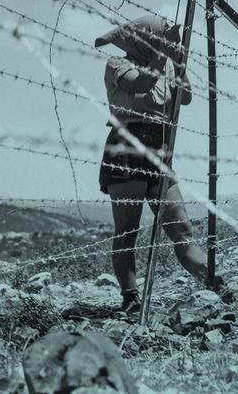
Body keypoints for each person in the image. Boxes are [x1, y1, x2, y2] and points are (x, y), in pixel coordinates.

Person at [96, 15, 209, 314]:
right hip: (127, 148)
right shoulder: (117, 65)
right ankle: (131, 297)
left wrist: (178, 63)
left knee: (181, 228)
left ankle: (213, 282)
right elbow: (140, 85)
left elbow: (184, 98)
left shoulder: (168, 66)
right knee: (127, 231)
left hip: (158, 148)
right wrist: (163, 55)